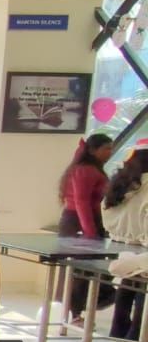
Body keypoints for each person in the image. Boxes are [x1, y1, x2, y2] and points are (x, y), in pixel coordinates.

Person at [57, 133, 115, 323]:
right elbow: (82, 202)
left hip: (83, 221)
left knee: (86, 269)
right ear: (92, 150)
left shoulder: (88, 168)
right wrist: (89, 232)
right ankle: (75, 313)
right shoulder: (85, 170)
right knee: (82, 270)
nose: (110, 152)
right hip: (80, 222)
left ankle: (77, 311)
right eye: (106, 148)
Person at [104, 138, 148, 342]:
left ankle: (117, 331)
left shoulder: (121, 181)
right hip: (144, 244)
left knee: (127, 284)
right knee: (143, 290)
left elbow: (106, 212)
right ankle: (136, 337)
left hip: (121, 243)